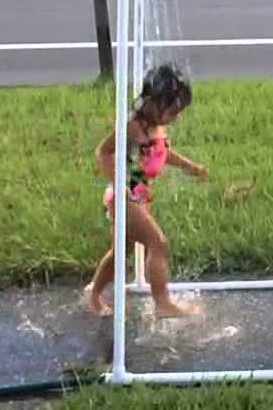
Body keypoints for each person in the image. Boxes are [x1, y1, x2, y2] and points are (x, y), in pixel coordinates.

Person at [84, 64, 208, 317]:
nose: (176, 118)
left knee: (121, 252)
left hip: (138, 196)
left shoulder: (156, 128)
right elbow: (104, 152)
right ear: (152, 103)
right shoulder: (133, 127)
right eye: (172, 111)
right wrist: (120, 183)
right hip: (124, 197)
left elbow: (162, 152)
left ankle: (94, 295)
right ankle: (162, 303)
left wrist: (189, 166)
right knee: (158, 243)